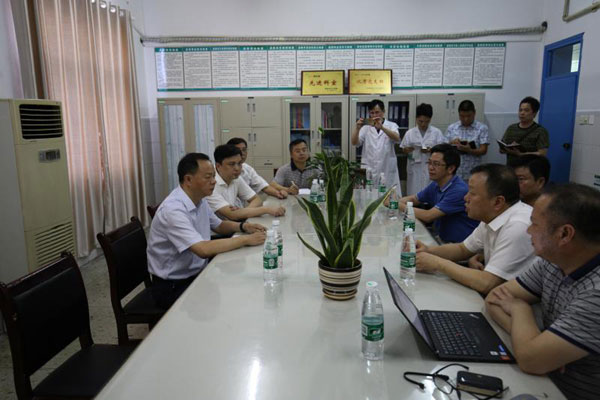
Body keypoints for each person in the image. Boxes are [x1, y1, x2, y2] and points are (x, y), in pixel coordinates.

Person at [485, 183, 600, 400]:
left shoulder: (596, 293)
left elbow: (530, 361)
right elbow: (494, 298)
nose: (528, 231)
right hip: (545, 383)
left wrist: (520, 310)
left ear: (564, 234)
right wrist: (533, 342)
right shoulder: (554, 261)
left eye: (535, 225)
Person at [147, 153, 267, 310]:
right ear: (188, 179)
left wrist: (243, 227)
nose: (213, 181)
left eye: (213, 176)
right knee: (230, 304)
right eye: (208, 177)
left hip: (196, 272)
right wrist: (245, 240)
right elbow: (202, 250)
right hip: (173, 286)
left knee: (241, 290)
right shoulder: (173, 210)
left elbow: (219, 225)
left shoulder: (199, 199)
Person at [415, 164, 535, 295]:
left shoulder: (518, 226)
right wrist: (428, 250)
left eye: (472, 193)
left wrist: (437, 263)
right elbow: (463, 249)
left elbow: (487, 283)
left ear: (497, 202)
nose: (465, 198)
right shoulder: (493, 215)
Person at [398, 144, 478, 243]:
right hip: (441, 238)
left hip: (459, 246)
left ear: (451, 168)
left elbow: (428, 216)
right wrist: (396, 201)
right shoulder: (436, 183)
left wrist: (396, 204)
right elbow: (414, 199)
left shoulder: (459, 190)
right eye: (429, 163)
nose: (430, 168)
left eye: (436, 164)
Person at [206, 145, 286, 220]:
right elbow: (232, 215)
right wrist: (266, 210)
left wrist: (243, 212)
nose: (237, 168)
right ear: (218, 166)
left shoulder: (235, 177)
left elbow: (257, 199)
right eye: (231, 164)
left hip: (234, 224)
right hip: (219, 229)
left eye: (239, 163)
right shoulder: (210, 184)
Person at [351, 99, 401, 194]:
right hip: (370, 167)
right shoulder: (366, 128)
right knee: (370, 196)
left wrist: (382, 127)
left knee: (388, 196)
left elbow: (397, 138)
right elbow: (354, 142)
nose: (374, 115)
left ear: (383, 111)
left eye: (377, 112)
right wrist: (357, 128)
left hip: (386, 168)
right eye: (372, 113)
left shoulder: (391, 125)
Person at [400, 103, 447, 195]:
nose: (423, 124)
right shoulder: (410, 133)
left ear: (430, 119)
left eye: (426, 121)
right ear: (416, 118)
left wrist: (431, 150)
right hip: (414, 168)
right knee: (413, 195)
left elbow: (443, 150)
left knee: (430, 194)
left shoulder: (436, 133)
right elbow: (403, 149)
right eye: (420, 121)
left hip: (431, 168)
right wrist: (407, 150)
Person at [226, 137, 288, 203]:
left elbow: (262, 186)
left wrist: (278, 193)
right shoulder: (224, 173)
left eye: (244, 150)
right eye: (238, 150)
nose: (242, 153)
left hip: (241, 208)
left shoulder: (247, 169)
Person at [446, 100, 489, 182]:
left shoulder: (482, 128)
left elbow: (484, 150)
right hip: (455, 172)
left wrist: (469, 150)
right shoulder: (452, 128)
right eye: (462, 116)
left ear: (474, 113)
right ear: (459, 114)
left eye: (469, 116)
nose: (465, 119)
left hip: (473, 172)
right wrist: (451, 143)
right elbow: (445, 148)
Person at [500, 96, 549, 165]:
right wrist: (506, 149)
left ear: (534, 113)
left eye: (526, 110)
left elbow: (542, 153)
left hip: (529, 168)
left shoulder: (540, 131)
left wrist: (522, 154)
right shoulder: (511, 128)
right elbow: (502, 149)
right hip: (511, 167)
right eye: (520, 110)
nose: (522, 113)